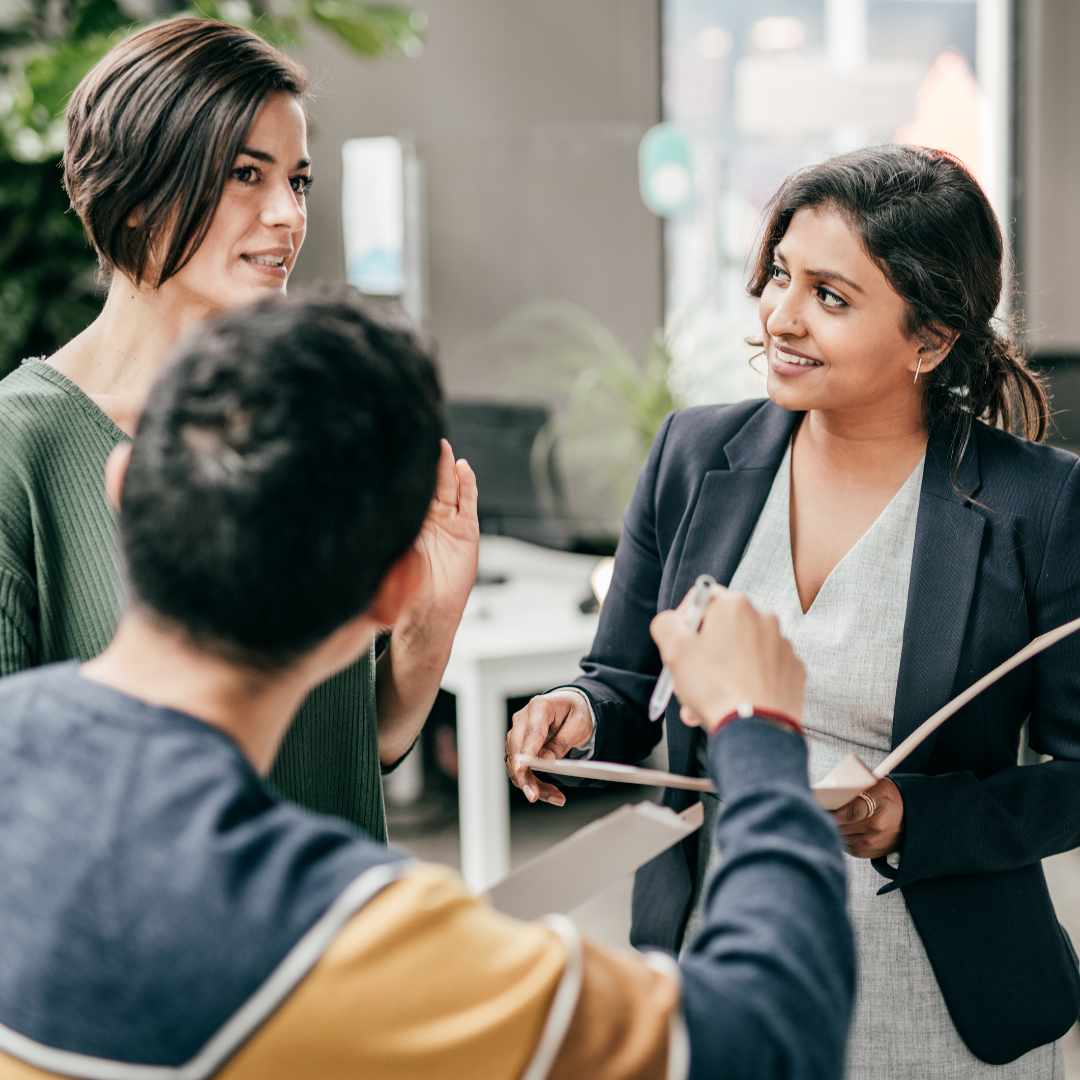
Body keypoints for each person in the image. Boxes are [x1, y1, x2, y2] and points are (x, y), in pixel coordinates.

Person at [0, 287, 853, 1080]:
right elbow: (769, 1038)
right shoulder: (359, 938)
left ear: (122, 492)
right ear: (390, 589)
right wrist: (755, 723)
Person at [506, 145, 1080, 1077]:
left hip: (942, 992)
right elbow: (620, 680)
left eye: (831, 296)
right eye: (780, 274)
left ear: (929, 341)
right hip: (727, 955)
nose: (779, 315)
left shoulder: (1038, 505)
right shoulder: (695, 456)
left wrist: (914, 818)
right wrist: (578, 713)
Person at [0, 18, 478, 836]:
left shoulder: (308, 420)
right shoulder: (22, 445)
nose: (287, 215)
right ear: (141, 190)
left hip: (335, 939)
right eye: (245, 175)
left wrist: (428, 624)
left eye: (297, 180)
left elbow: (345, 746)